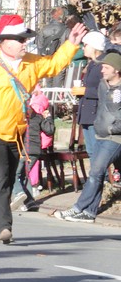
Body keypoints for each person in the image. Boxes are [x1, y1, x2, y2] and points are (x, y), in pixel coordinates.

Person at [0, 13, 86, 244]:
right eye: (20, 40)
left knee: (9, 175)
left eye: (25, 39)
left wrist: (71, 43)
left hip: (17, 132)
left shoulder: (30, 63)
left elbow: (53, 65)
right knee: (0, 175)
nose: (25, 43)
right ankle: (5, 227)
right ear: (4, 42)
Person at [54, 51, 121, 223]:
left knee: (96, 172)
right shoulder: (102, 85)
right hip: (100, 133)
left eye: (106, 67)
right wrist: (100, 125)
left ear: (117, 70)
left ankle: (77, 208)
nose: (102, 70)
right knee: (95, 174)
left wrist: (112, 128)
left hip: (115, 137)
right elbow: (101, 108)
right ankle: (89, 212)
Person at [10, 91, 55, 211]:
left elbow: (49, 130)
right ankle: (30, 202)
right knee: (24, 175)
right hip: (33, 151)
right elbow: (49, 130)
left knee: (13, 173)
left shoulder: (22, 118)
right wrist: (48, 118)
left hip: (26, 150)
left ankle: (19, 193)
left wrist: (48, 118)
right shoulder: (38, 117)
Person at [73, 30, 106, 158]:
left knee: (97, 152)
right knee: (91, 151)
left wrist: (85, 91)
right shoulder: (92, 63)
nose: (83, 47)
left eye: (85, 45)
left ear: (94, 47)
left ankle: (97, 178)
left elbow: (106, 89)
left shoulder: (103, 65)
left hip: (96, 115)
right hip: (87, 113)